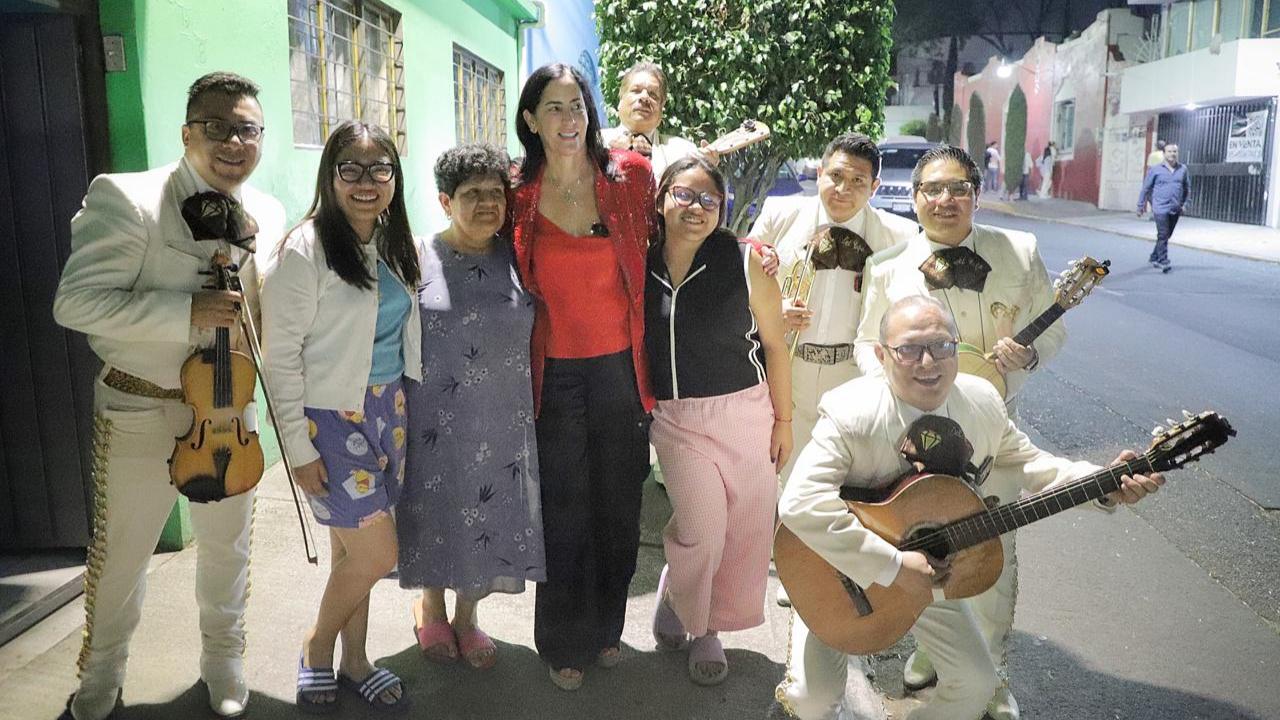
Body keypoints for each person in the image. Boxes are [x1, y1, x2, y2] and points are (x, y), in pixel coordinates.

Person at [776, 295, 1163, 720]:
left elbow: (1032, 464)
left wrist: (1104, 482)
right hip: (839, 574)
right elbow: (800, 502)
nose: (928, 362)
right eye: (909, 349)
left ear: (957, 348)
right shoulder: (853, 411)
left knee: (976, 685)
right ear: (881, 354)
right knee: (813, 702)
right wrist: (892, 565)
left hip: (928, 577)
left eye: (942, 346)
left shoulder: (981, 401)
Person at [52, 72, 284, 720]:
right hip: (140, 407)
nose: (235, 140)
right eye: (218, 126)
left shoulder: (266, 211)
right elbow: (75, 304)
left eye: (248, 128)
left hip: (230, 411)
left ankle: (224, 667)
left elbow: (263, 315)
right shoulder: (126, 199)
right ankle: (99, 678)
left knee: (228, 551)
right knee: (122, 557)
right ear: (187, 133)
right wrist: (188, 312)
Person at [854, 145, 1066, 720]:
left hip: (992, 435)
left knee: (992, 558)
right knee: (927, 547)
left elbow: (1052, 327)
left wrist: (1028, 355)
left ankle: (992, 678)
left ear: (976, 193)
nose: (945, 200)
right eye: (932, 189)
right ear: (915, 197)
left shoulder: (1019, 252)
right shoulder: (886, 267)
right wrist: (897, 394)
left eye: (958, 188)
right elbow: (862, 347)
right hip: (916, 441)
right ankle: (934, 652)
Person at [261, 121, 420, 713]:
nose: (365, 181)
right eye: (350, 168)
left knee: (351, 553)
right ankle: (317, 645)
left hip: (387, 407)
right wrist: (297, 452)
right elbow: (278, 357)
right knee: (380, 553)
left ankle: (357, 659)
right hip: (329, 417)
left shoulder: (392, 239)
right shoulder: (304, 249)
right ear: (330, 175)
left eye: (380, 169)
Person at [510, 62, 657, 691]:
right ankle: (560, 639)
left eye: (578, 106)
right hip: (554, 374)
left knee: (619, 504)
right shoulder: (515, 190)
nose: (570, 120)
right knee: (564, 508)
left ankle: (606, 627)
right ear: (531, 120)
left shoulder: (630, 179)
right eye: (555, 108)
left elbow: (676, 239)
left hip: (622, 369)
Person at [397, 143, 545, 670]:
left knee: (486, 515)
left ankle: (467, 618)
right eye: (472, 194)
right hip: (432, 417)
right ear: (444, 200)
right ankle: (430, 605)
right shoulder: (414, 257)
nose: (488, 203)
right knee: (435, 511)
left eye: (495, 193)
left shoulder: (520, 258)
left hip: (503, 417)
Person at [644, 156, 792, 685]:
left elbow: (775, 346)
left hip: (746, 411)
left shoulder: (746, 260)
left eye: (710, 200)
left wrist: (785, 422)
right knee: (703, 527)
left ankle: (690, 606)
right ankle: (699, 624)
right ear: (662, 198)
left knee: (745, 531)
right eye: (684, 194)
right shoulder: (637, 262)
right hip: (678, 419)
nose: (696, 208)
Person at [750, 132, 918, 485]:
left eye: (858, 181)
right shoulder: (779, 213)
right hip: (786, 373)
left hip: (854, 376)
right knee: (780, 482)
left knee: (844, 487)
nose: (843, 189)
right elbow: (743, 288)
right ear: (820, 171)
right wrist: (772, 310)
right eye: (836, 176)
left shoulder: (900, 235)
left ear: (874, 187)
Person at [601, 61, 717, 181]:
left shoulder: (684, 153)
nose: (644, 98)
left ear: (661, 109)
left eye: (653, 95)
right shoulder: (592, 142)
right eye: (636, 91)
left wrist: (707, 175)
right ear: (620, 100)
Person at [1136, 143, 1189, 274]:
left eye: (1175, 151)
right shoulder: (1155, 170)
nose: (1172, 154)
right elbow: (1146, 188)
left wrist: (1185, 204)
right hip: (1160, 207)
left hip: (1175, 208)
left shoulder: (1183, 169)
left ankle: (1154, 256)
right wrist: (1140, 205)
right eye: (1170, 151)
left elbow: (1187, 188)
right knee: (1163, 234)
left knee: (1166, 235)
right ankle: (1162, 261)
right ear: (1164, 154)